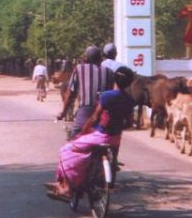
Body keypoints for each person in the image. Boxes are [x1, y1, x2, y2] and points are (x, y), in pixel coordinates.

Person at [45, 66, 136, 201]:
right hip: (115, 139)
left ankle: (65, 186)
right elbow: (129, 123)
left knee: (67, 149)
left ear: (115, 79)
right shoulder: (130, 100)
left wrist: (81, 134)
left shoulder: (106, 96)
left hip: (101, 136)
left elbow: (94, 117)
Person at [58, 46, 114, 139]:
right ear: (100, 58)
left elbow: (70, 93)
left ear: (86, 57)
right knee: (110, 139)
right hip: (104, 113)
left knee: (73, 138)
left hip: (85, 110)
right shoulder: (109, 72)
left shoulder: (79, 69)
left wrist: (63, 112)